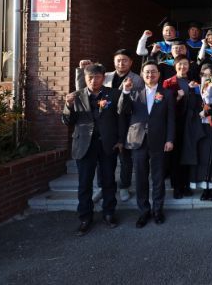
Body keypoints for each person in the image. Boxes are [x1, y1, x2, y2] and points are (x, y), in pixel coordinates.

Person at [62, 63, 131, 236]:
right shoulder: (76, 96)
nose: (94, 81)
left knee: (109, 181)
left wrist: (121, 140)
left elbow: (121, 118)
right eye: (90, 77)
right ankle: (85, 217)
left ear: (103, 78)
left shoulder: (114, 94)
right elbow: (68, 121)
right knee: (84, 183)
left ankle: (109, 213)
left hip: (108, 144)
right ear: (85, 78)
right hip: (84, 145)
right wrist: (68, 106)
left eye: (97, 77)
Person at [74, 49, 144, 203]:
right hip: (109, 122)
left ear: (131, 62)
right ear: (114, 62)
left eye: (125, 60)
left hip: (128, 121)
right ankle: (101, 187)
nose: (121, 63)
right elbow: (84, 90)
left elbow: (138, 101)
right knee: (103, 157)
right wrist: (82, 70)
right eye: (118, 60)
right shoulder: (106, 76)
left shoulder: (137, 79)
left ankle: (124, 186)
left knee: (125, 157)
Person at [121, 61, 175, 227]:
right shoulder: (133, 92)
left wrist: (169, 139)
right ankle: (144, 211)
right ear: (142, 75)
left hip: (159, 140)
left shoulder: (167, 94)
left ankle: (157, 210)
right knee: (141, 178)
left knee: (158, 177)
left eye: (153, 72)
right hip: (138, 140)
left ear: (158, 74)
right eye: (147, 72)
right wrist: (125, 91)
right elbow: (122, 110)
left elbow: (171, 119)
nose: (150, 75)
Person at [182, 60, 212, 201]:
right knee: (201, 158)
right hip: (200, 128)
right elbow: (191, 107)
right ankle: (205, 188)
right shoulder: (196, 88)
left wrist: (208, 111)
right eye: (204, 74)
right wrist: (191, 92)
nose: (207, 77)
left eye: (210, 75)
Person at [162, 55, 194, 199]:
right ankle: (177, 187)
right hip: (175, 124)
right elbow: (163, 107)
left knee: (187, 154)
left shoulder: (193, 82)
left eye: (185, 64)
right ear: (175, 66)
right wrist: (178, 98)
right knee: (175, 156)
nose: (182, 67)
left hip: (190, 123)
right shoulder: (168, 83)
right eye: (180, 64)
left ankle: (186, 185)